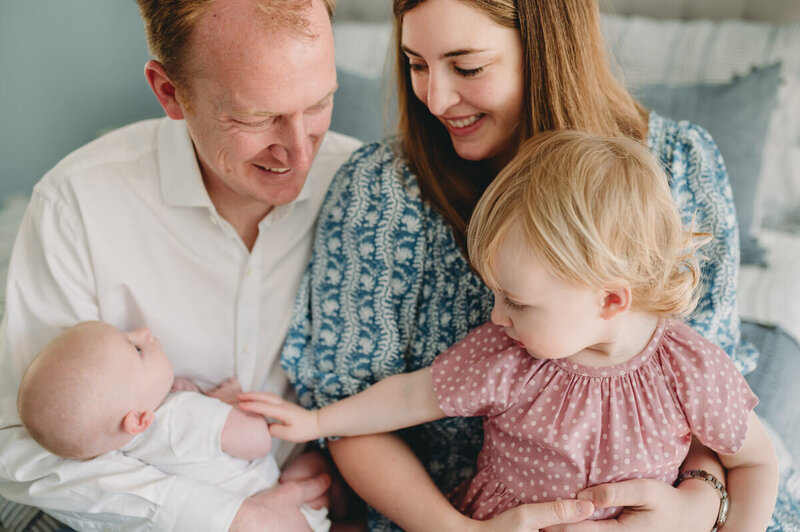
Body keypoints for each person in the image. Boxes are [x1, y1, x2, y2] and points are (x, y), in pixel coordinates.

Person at [279, 0, 784, 530]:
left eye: (467, 66)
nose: (434, 97)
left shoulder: (680, 165)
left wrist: (696, 509)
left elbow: (724, 430)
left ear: (546, 48)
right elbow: (374, 408)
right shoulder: (380, 193)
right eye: (416, 64)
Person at [0, 0, 363, 530]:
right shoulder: (77, 201)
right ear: (170, 92)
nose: (299, 156)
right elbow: (18, 448)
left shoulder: (367, 192)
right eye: (256, 117)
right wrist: (233, 519)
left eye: (319, 103)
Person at [16, 321, 331, 531]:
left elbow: (188, 454)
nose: (143, 332)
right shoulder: (183, 414)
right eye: (136, 348)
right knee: (314, 463)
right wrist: (229, 403)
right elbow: (258, 442)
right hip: (288, 515)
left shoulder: (120, 445)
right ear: (139, 418)